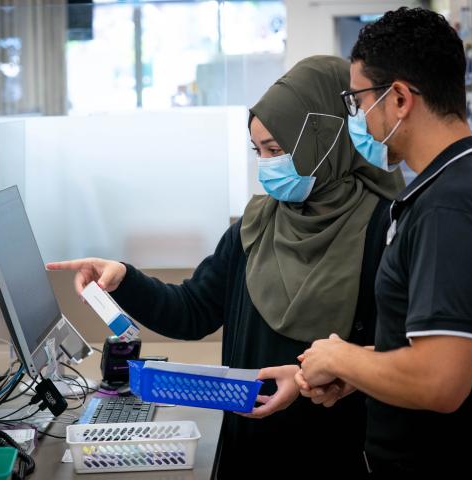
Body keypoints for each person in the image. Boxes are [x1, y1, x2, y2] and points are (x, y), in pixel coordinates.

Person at [47, 55, 403, 477]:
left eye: (276, 149)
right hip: (247, 451)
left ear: (324, 139)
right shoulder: (257, 224)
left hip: (334, 454)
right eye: (259, 151)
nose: (267, 165)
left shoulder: (386, 229)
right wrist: (124, 279)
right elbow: (193, 310)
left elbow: (397, 363)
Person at [295, 8, 472, 479]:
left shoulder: (450, 206)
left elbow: (440, 380)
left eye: (358, 99)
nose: (357, 116)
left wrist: (340, 355)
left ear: (399, 98)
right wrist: (357, 371)